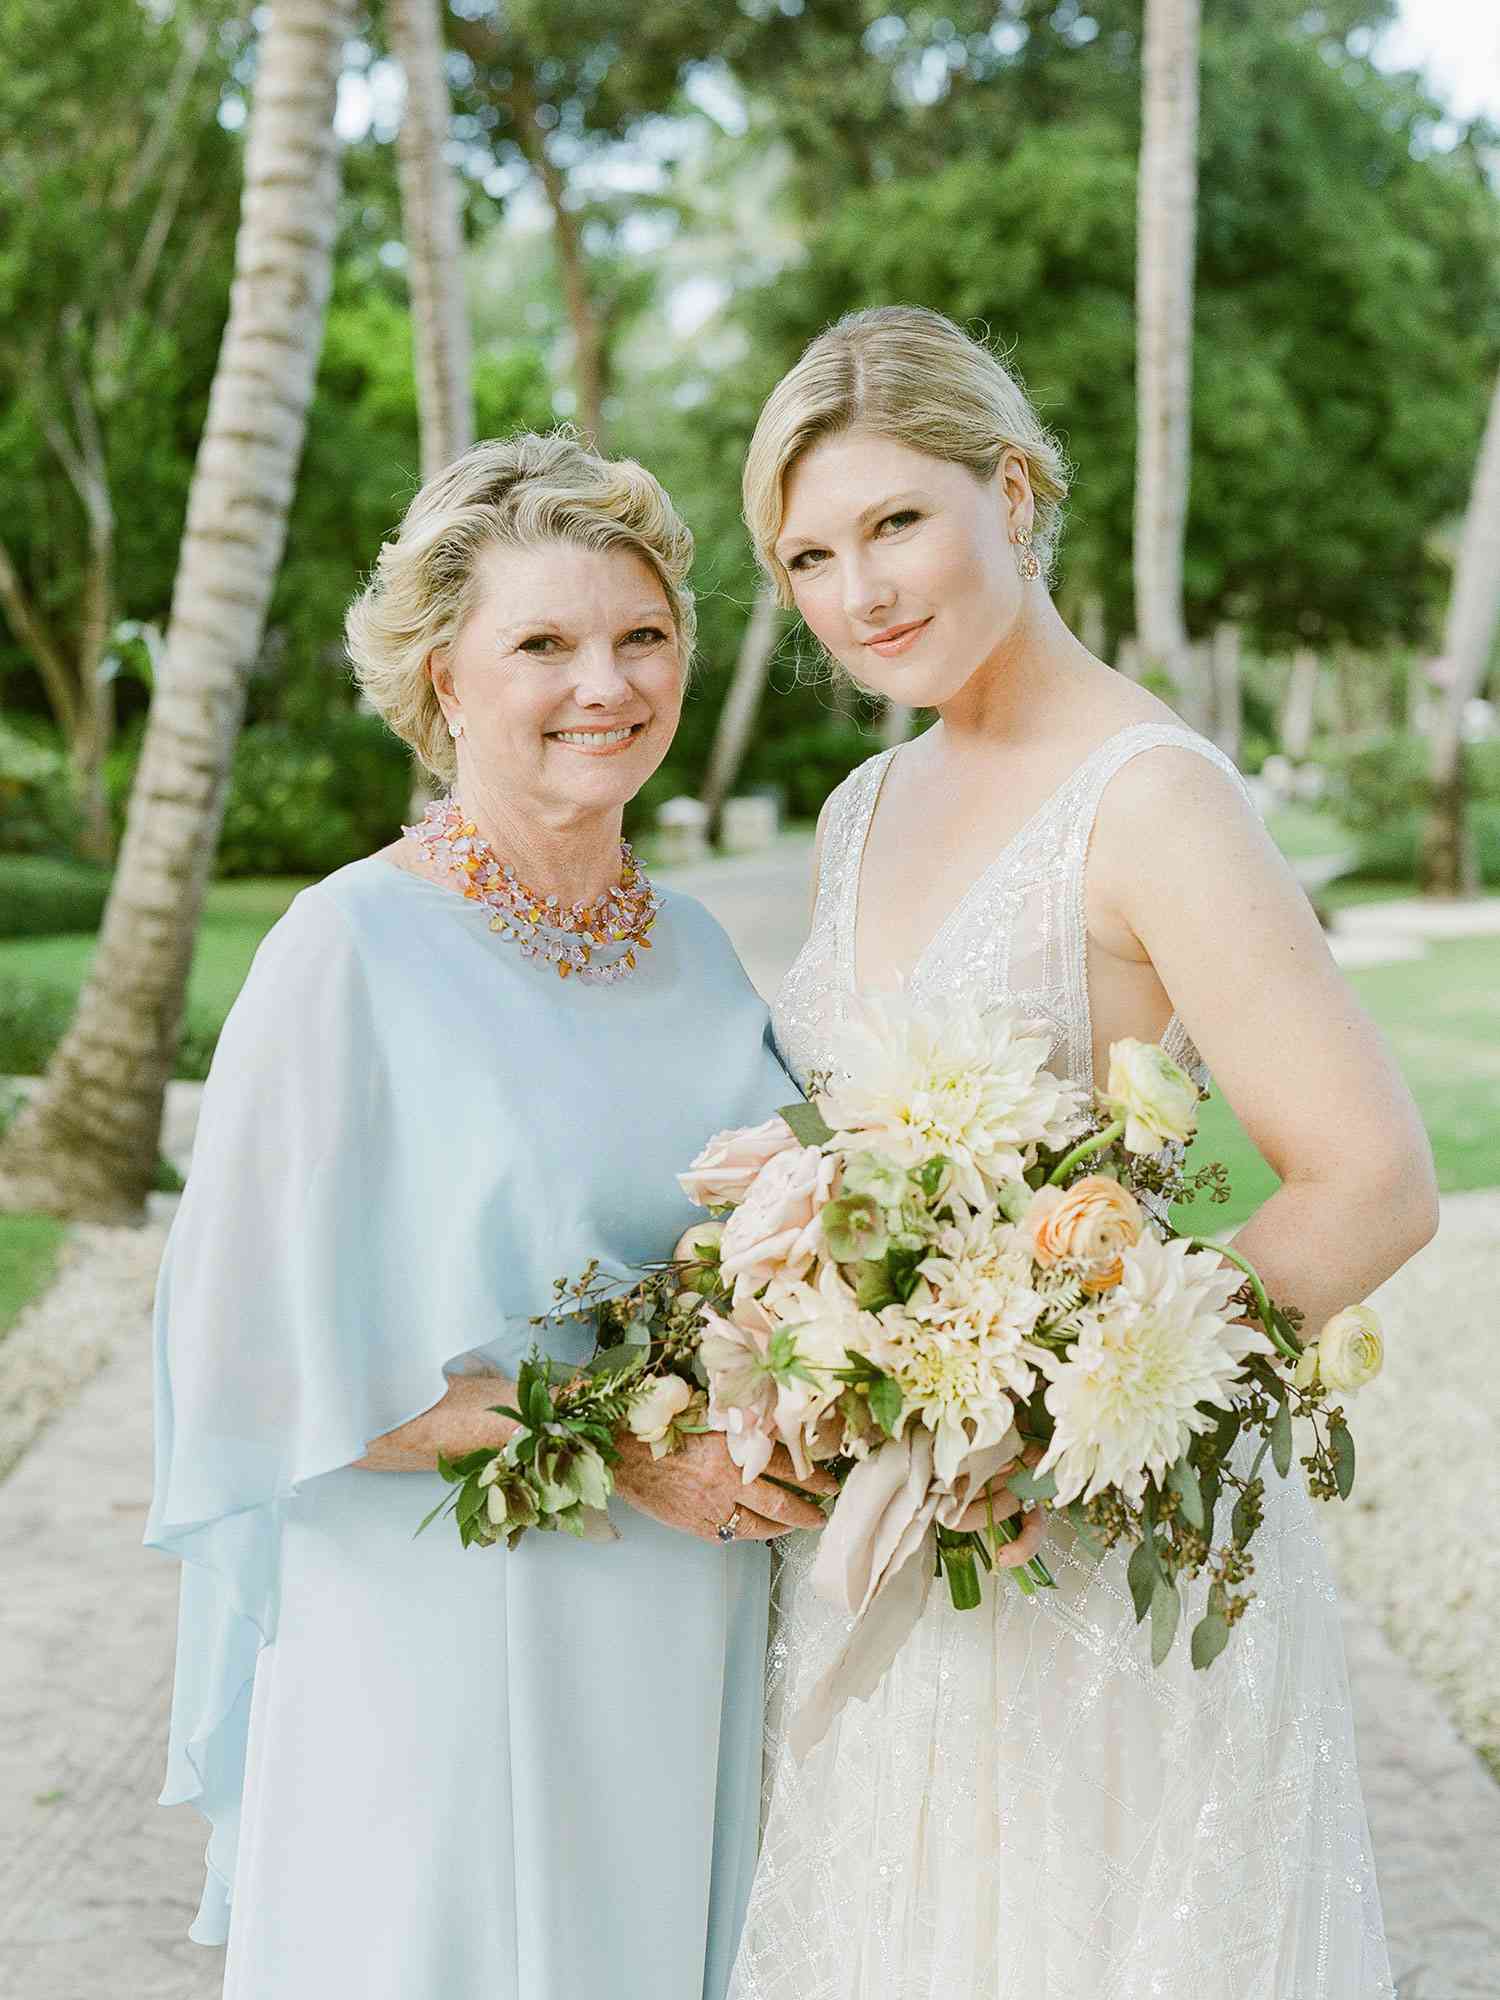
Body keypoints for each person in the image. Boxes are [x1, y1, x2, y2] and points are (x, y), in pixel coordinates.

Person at [727, 307, 1437, 2000]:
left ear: (1017, 489)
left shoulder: (1152, 799)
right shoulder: (861, 809)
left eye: (897, 521)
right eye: (810, 555)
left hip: (1081, 1563)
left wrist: (1065, 1413)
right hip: (883, 1550)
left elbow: (1371, 1180)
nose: (861, 591)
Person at [144, 431, 826, 2000]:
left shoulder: (703, 960)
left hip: (684, 1631)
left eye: (641, 636)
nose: (608, 682)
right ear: (446, 679)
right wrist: (618, 1429)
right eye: (546, 644)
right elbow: (244, 1367)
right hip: (444, 1638)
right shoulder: (351, 950)